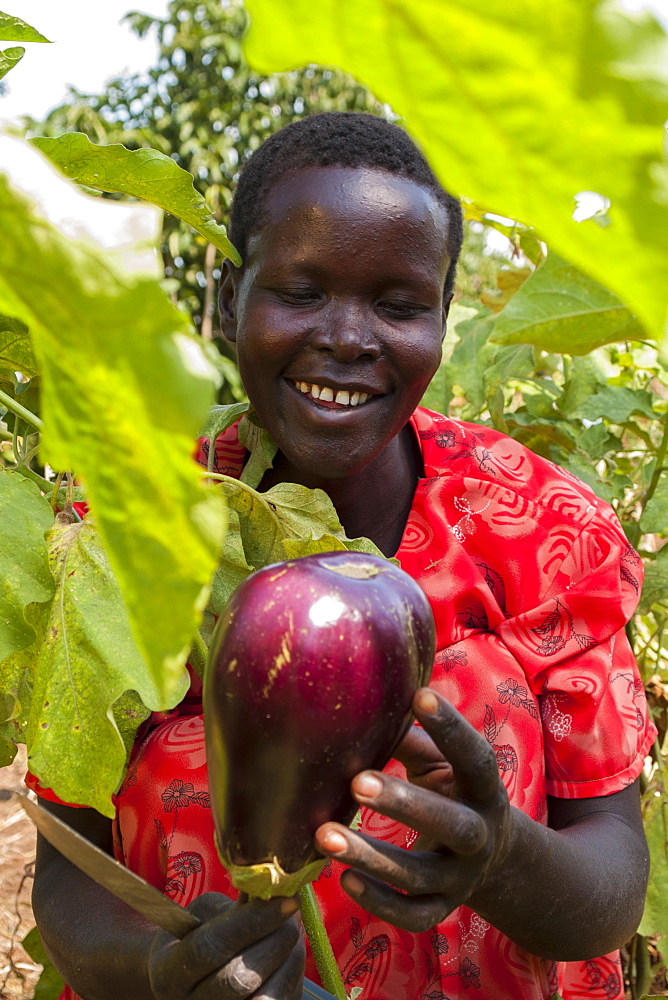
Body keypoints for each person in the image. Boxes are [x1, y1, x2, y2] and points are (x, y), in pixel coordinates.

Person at [31, 112, 655, 1000]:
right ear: (233, 293)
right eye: (302, 290)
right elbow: (67, 869)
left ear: (443, 319)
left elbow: (611, 892)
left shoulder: (542, 527)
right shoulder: (123, 535)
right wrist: (164, 971)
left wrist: (502, 855)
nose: (350, 338)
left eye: (399, 305)